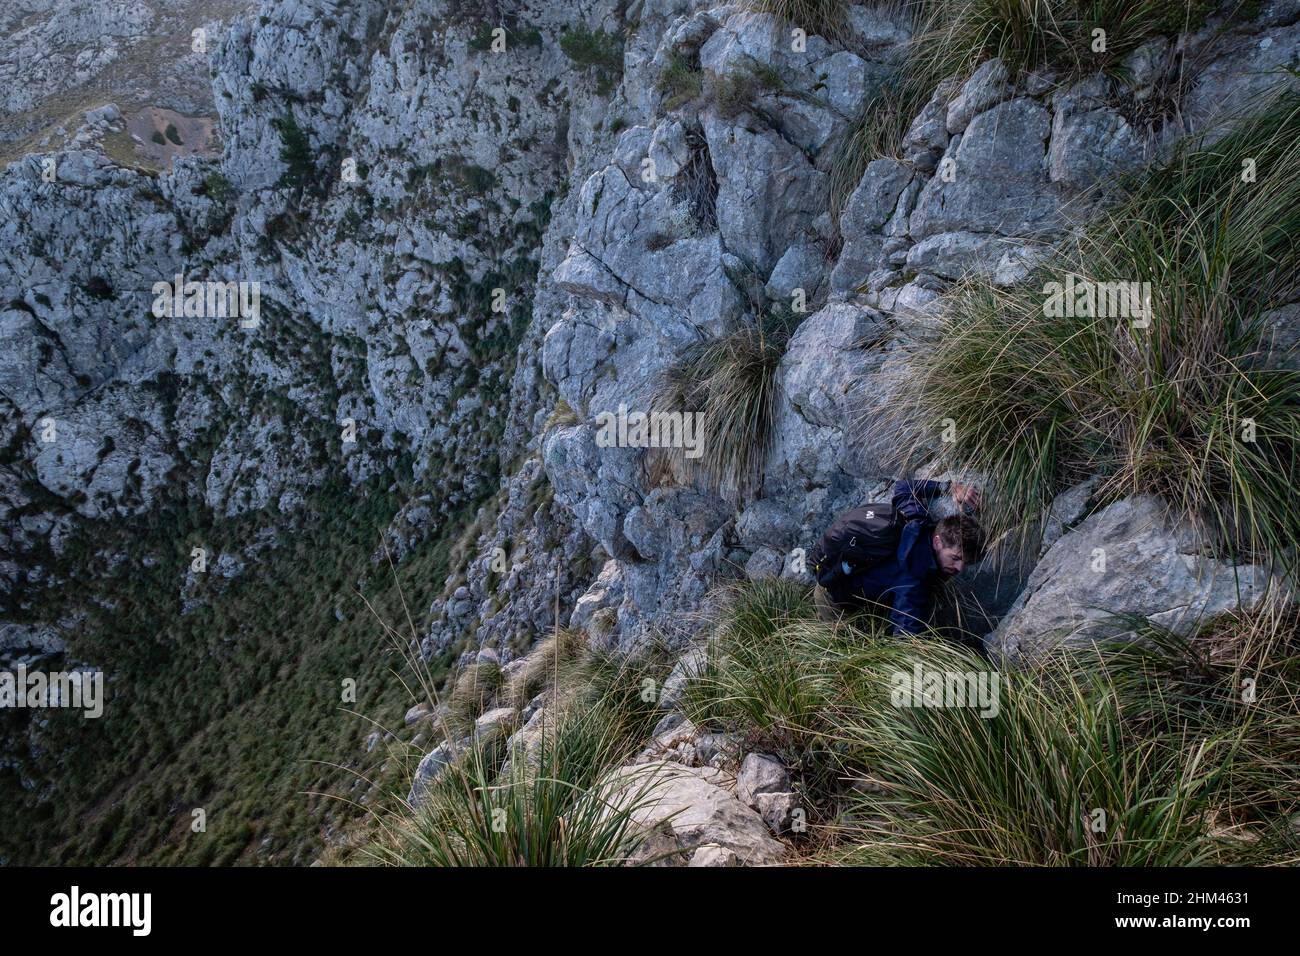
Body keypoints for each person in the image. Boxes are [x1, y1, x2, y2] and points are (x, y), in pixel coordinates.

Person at [812, 479, 985, 636]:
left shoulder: (916, 520)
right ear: (937, 542)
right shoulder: (912, 579)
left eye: (966, 562)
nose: (959, 568)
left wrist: (950, 488)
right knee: (840, 653)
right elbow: (906, 634)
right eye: (955, 558)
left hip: (855, 580)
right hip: (834, 599)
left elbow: (904, 487)